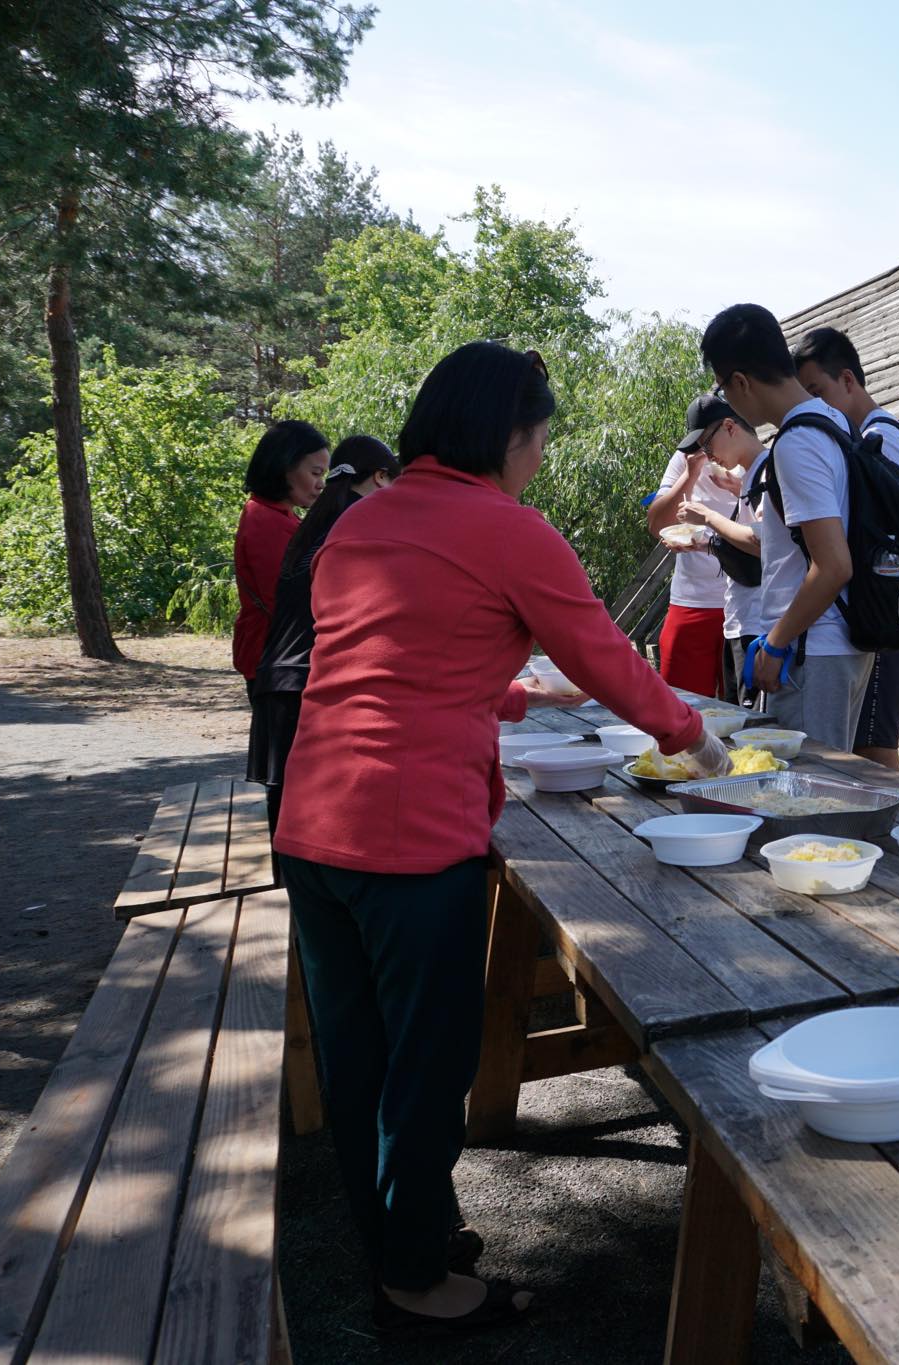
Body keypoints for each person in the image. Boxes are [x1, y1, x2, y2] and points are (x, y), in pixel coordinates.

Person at [274, 342, 729, 1336]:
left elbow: (385, 663)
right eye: (538, 438)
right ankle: (413, 1285)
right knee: (425, 1065)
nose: (537, 456)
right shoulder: (508, 530)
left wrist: (512, 695)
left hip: (312, 826)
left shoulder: (360, 523)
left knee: (358, 1060)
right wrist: (693, 737)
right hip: (407, 840)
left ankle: (406, 1231)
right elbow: (610, 657)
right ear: (510, 436)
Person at [701, 303, 870, 749]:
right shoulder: (833, 420)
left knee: (809, 796)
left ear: (740, 381)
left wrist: (776, 642)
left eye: (724, 388)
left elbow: (833, 565)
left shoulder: (796, 443)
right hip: (835, 642)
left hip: (814, 648)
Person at [249, 435, 400, 832]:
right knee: (314, 820)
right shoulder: (357, 523)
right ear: (382, 478)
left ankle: (294, 890)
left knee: (289, 812)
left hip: (279, 676)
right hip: (306, 681)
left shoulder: (321, 519)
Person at [793, 325, 899, 770]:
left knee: (876, 752)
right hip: (878, 619)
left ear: (848, 380)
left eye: (818, 390)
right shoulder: (861, 436)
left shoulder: (881, 440)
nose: (814, 403)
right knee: (866, 751)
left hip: (885, 620)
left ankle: (898, 837)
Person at [671, 393, 765, 704]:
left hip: (757, 624)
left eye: (708, 446)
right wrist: (707, 544)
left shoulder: (765, 473)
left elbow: (761, 542)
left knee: (751, 726)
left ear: (729, 426)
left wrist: (708, 517)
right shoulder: (752, 478)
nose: (708, 456)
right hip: (740, 619)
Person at [646, 392, 743, 694]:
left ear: (730, 428)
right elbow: (657, 524)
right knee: (681, 703)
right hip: (691, 600)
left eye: (707, 442)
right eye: (698, 443)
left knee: (739, 706)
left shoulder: (755, 459)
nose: (705, 450)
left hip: (742, 603)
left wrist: (738, 486)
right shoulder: (685, 460)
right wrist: (690, 475)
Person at [233, 420, 330, 699]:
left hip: (278, 656)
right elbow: (287, 599)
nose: (321, 484)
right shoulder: (266, 521)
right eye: (315, 472)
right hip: (278, 659)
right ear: (284, 468)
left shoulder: (276, 515)